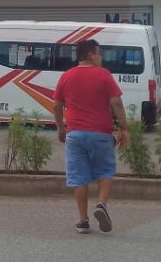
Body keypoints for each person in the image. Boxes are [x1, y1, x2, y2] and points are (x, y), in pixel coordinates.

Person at [53, 38, 130, 234]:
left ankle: (83, 220)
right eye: (99, 53)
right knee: (105, 170)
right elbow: (116, 103)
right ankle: (101, 205)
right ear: (90, 54)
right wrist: (124, 128)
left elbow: (57, 106)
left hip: (74, 135)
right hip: (100, 134)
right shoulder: (104, 75)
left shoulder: (67, 76)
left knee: (79, 178)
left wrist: (61, 128)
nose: (101, 57)